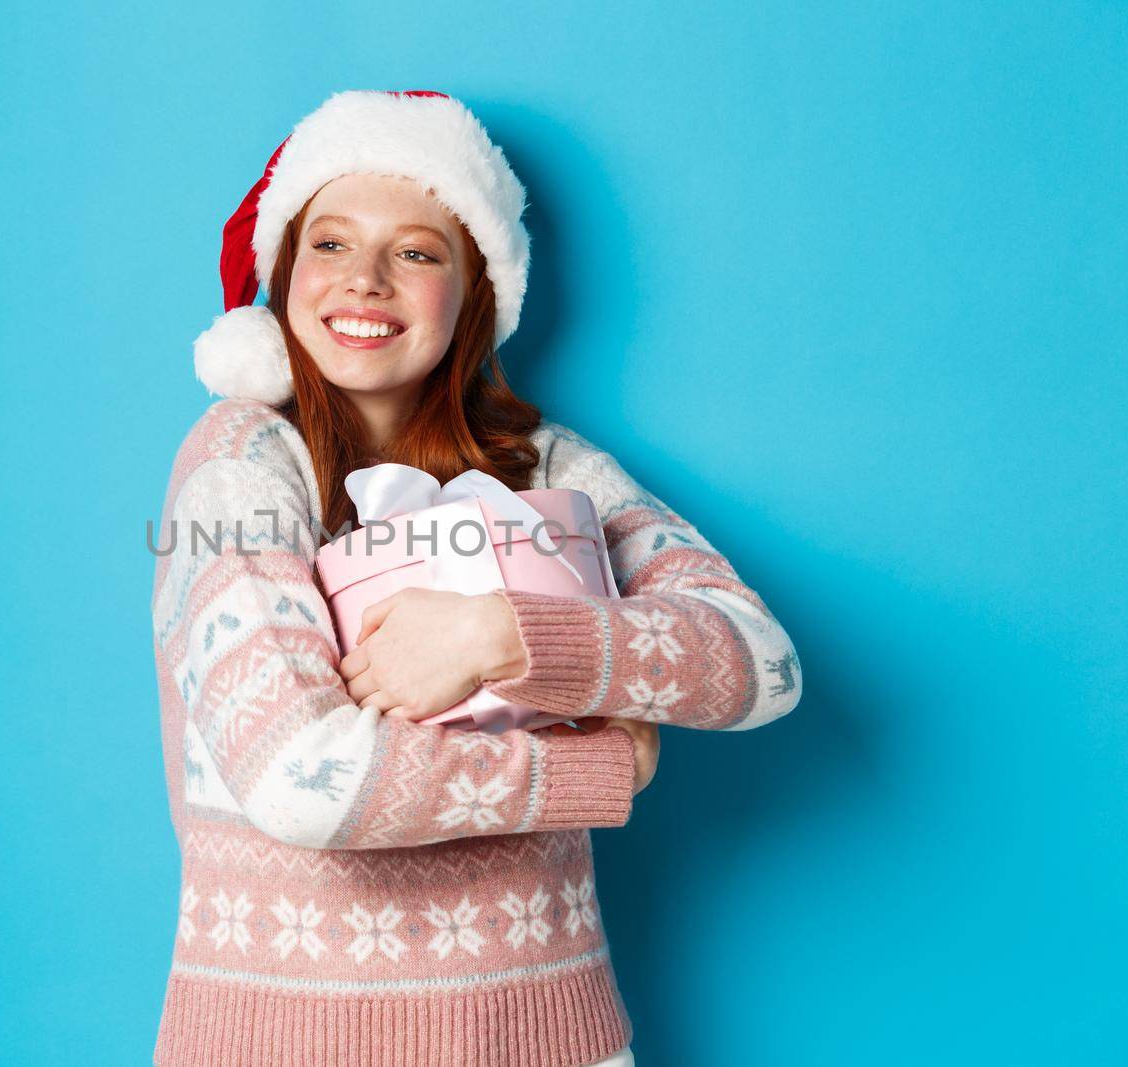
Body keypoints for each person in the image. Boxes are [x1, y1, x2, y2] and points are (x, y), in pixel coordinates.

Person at [150, 89, 802, 1067]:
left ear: (474, 291)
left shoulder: (544, 465)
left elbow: (759, 662)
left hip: (553, 1034)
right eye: (328, 244)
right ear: (279, 276)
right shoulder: (237, 461)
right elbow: (300, 781)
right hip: (285, 1041)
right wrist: (600, 762)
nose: (365, 279)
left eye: (416, 251)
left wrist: (496, 637)